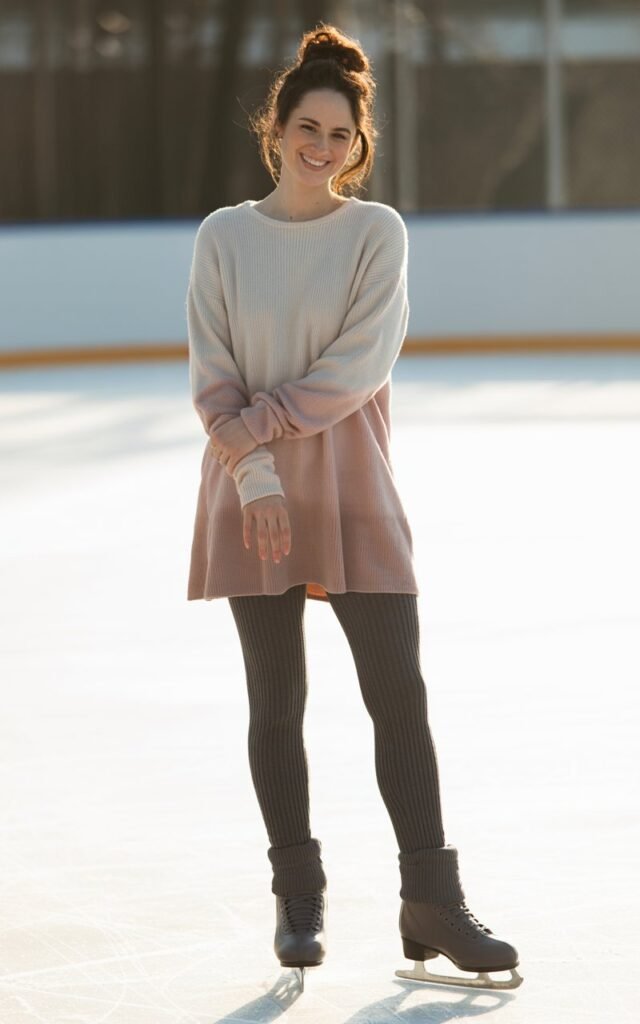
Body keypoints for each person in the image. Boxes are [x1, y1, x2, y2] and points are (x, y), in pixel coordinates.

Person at [185, 23, 522, 992]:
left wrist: (261, 433)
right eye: (305, 126)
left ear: (357, 144)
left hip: (351, 485)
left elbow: (356, 368)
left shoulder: (377, 233)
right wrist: (252, 475)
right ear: (275, 129)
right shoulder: (223, 237)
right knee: (274, 703)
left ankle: (432, 902)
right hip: (248, 493)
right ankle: (298, 899)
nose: (320, 146)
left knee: (396, 697)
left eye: (338, 133)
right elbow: (212, 379)